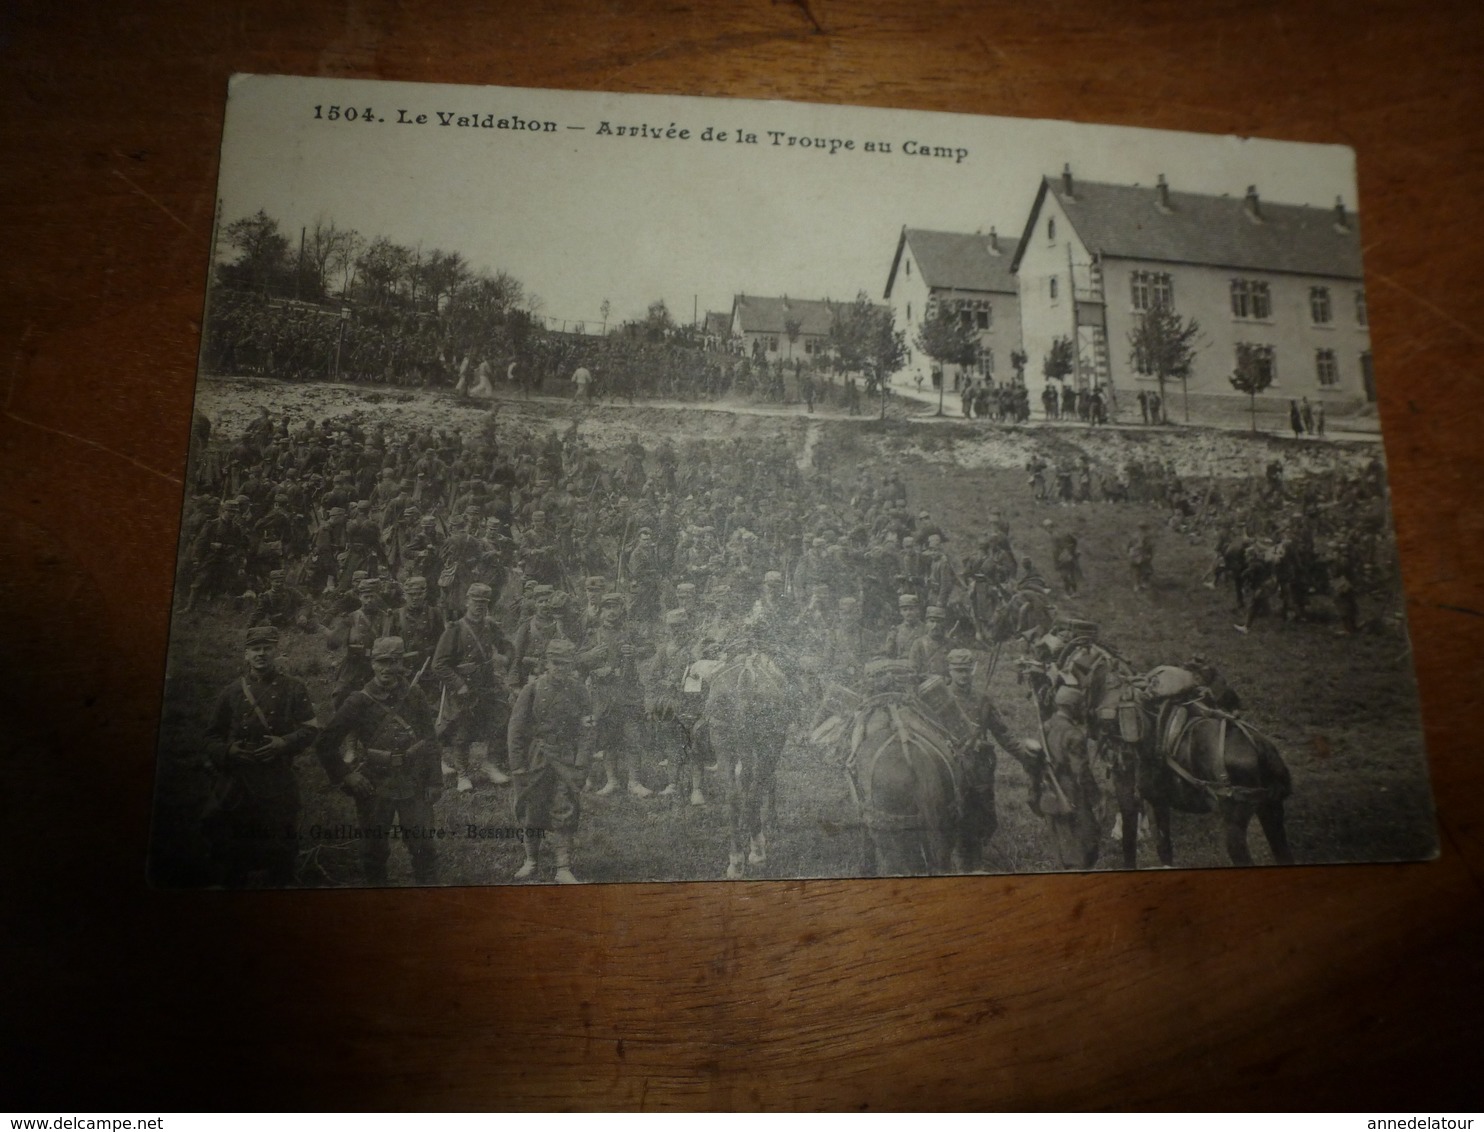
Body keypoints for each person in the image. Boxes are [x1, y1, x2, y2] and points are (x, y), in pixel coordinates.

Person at [315, 636, 443, 885]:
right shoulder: (358, 700)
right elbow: (325, 744)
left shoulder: (414, 695)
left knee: (423, 847)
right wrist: (347, 775)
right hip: (374, 784)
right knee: (373, 851)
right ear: (372, 663)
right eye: (381, 662)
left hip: (414, 781)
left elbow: (430, 741)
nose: (386, 668)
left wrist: (435, 781)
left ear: (401, 664)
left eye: (393, 662)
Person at [201, 626, 319, 887]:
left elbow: (311, 729)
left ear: (276, 652)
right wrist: (228, 751)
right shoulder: (231, 692)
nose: (261, 654)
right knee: (231, 845)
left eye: (267, 648)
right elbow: (211, 736)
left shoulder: (294, 688)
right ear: (246, 655)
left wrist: (284, 743)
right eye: (256, 649)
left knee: (280, 847)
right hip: (237, 782)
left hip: (277, 780)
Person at [508, 639, 594, 882]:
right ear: (546, 663)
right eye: (556, 663)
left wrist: (581, 763)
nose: (560, 669)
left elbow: (588, 729)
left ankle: (563, 867)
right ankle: (531, 860)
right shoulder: (532, 690)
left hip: (566, 759)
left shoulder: (579, 690)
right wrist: (517, 766)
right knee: (531, 809)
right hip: (536, 758)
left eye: (566, 664)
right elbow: (516, 731)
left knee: (564, 808)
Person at [944, 649, 1031, 872]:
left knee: (983, 812)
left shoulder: (982, 698)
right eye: (958, 671)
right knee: (957, 811)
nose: (963, 675)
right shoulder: (941, 698)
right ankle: (963, 861)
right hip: (951, 764)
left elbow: (1002, 732)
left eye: (967, 671)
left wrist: (1023, 755)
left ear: (973, 670)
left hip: (980, 765)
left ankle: (975, 856)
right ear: (950, 671)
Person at [433, 581, 514, 792]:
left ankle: (491, 765)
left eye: (484, 602)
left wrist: (504, 659)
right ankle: (463, 774)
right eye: (476, 601)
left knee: (501, 721)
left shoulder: (491, 625)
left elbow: (508, 646)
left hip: (488, 684)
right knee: (462, 732)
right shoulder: (455, 629)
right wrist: (458, 684)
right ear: (467, 602)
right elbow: (439, 664)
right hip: (464, 689)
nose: (479, 606)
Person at [578, 593, 656, 797]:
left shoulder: (630, 631)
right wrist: (593, 656)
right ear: (601, 611)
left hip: (628, 691)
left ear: (622, 609)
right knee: (608, 739)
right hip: (604, 694)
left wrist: (636, 650)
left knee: (632, 737)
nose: (612, 612)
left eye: (616, 607)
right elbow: (578, 658)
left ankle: (634, 781)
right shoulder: (593, 634)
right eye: (607, 608)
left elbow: (651, 647)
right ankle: (612, 781)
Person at [1036, 684, 1102, 870]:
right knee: (1087, 845)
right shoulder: (1074, 734)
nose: (1083, 711)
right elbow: (1081, 773)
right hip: (1072, 795)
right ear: (1071, 708)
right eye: (1080, 707)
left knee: (1061, 848)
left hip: (1049, 794)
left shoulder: (1045, 727)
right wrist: (1096, 799)